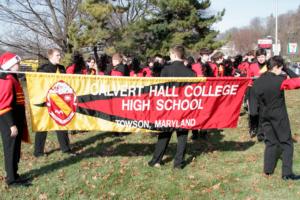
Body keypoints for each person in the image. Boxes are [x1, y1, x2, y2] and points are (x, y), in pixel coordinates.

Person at [250, 56, 300, 180]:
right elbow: (298, 81)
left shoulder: (257, 82)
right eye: (281, 68)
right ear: (277, 67)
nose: (282, 70)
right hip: (279, 115)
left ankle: (268, 170)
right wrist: (287, 69)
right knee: (287, 143)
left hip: (264, 115)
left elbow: (252, 104)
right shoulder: (280, 80)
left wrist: (254, 121)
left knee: (271, 142)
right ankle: (287, 174)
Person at [148, 45, 196, 169]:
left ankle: (156, 160)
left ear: (174, 55)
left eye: (170, 54)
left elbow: (162, 90)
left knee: (164, 134)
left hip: (168, 107)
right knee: (182, 136)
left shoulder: (166, 70)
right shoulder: (191, 73)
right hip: (184, 108)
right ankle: (178, 164)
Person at [34, 48, 75, 157]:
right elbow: (40, 85)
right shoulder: (42, 69)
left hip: (60, 101)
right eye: (57, 55)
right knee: (43, 126)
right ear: (50, 56)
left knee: (62, 124)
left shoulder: (61, 68)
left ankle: (66, 148)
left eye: (59, 55)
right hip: (46, 101)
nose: (59, 57)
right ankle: (38, 152)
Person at [0, 52, 31, 186]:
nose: (19, 65)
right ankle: (11, 180)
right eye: (17, 63)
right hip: (8, 120)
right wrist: (12, 125)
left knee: (16, 148)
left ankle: (15, 175)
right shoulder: (6, 79)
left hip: (16, 119)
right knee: (10, 149)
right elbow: (3, 104)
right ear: (10, 65)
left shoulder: (13, 77)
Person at [248, 49, 268, 142]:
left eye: (263, 57)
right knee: (253, 112)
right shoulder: (252, 66)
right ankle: (253, 128)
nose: (261, 59)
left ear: (265, 57)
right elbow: (248, 78)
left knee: (262, 113)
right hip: (253, 90)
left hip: (265, 92)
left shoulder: (269, 66)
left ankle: (261, 133)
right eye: (259, 57)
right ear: (257, 57)